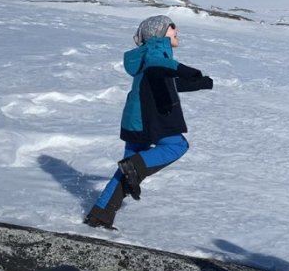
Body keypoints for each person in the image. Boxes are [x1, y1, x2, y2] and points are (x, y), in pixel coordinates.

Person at [85, 15, 213, 229]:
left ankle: (100, 214)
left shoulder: (152, 55)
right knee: (176, 145)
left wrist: (198, 83)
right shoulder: (155, 50)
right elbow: (157, 64)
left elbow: (166, 82)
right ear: (159, 32)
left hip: (135, 118)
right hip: (147, 117)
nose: (177, 30)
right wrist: (182, 69)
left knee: (128, 171)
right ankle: (134, 166)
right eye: (172, 26)